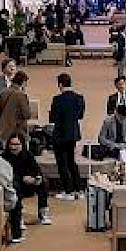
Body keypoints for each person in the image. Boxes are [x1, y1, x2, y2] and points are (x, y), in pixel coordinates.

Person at [4, 132, 51, 240]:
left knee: (43, 183)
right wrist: (22, 178)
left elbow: (36, 169)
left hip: (29, 183)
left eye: (17, 144)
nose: (14, 147)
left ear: (22, 145)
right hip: (14, 184)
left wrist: (36, 178)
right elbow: (7, 175)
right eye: (12, 144)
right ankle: (17, 218)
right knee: (15, 186)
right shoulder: (4, 157)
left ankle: (43, 212)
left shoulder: (28, 155)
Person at [48, 72, 85, 201]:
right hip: (73, 134)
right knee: (71, 161)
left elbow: (52, 118)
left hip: (60, 135)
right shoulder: (79, 98)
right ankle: (78, 189)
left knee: (62, 164)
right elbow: (80, 116)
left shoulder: (57, 99)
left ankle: (68, 190)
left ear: (60, 84)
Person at [0, 70, 32, 143]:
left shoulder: (3, 93)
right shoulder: (21, 95)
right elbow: (27, 114)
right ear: (23, 82)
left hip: (4, 131)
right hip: (18, 131)